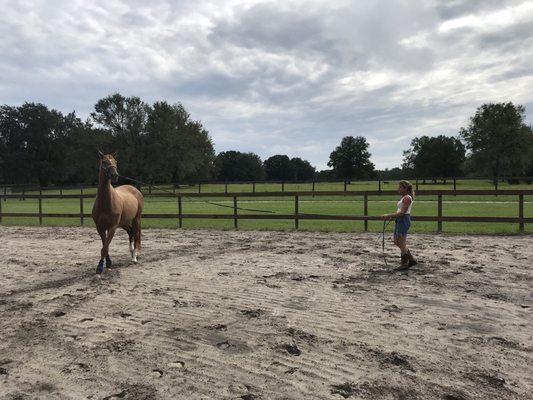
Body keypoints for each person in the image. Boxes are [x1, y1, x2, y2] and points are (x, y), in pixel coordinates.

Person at [382, 180, 417, 270]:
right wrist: (393, 217)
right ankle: (411, 260)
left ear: (405, 188)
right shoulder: (404, 197)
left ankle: (405, 263)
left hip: (403, 220)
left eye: (400, 187)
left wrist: (389, 215)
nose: (398, 189)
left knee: (400, 242)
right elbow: (400, 212)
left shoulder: (407, 198)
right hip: (400, 220)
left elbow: (402, 213)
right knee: (398, 242)